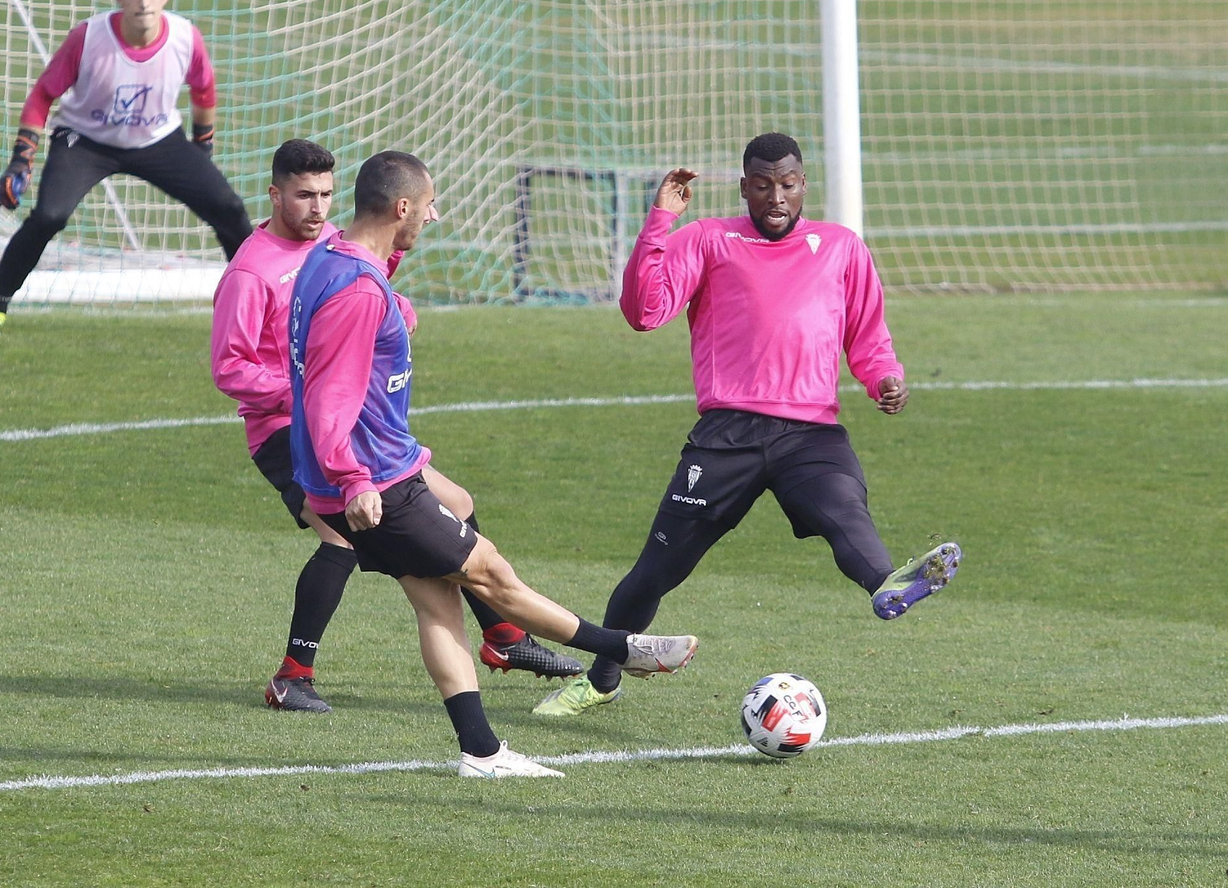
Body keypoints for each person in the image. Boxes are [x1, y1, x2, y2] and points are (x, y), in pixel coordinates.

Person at [289, 150, 699, 778]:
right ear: (402, 207)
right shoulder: (357, 291)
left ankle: (481, 752)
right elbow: (327, 399)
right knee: (491, 574)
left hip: (374, 469)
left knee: (438, 604)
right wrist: (353, 480)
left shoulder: (332, 259)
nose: (433, 217)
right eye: (428, 206)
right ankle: (623, 649)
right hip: (377, 479)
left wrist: (392, 300)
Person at [534, 132, 961, 717]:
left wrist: (884, 377)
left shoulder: (840, 247)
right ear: (744, 187)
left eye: (787, 185)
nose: (775, 198)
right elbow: (643, 311)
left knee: (844, 511)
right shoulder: (710, 239)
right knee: (655, 571)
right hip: (727, 437)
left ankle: (888, 584)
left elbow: (868, 334)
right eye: (762, 186)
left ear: (803, 184)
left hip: (809, 432)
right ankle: (603, 678)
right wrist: (660, 221)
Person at [211, 139, 582, 714]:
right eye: (304, 195)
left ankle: (504, 637)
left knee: (458, 502)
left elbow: (365, 293)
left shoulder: (333, 247)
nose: (317, 208)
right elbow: (230, 368)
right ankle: (292, 676)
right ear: (275, 195)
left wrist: (394, 306)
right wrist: (308, 390)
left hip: (352, 424)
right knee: (341, 537)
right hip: (290, 430)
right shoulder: (251, 271)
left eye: (326, 195)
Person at [0, 0, 253, 339]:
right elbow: (42, 95)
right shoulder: (88, 37)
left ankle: (256, 308)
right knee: (49, 216)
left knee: (229, 208)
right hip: (85, 140)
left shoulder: (186, 37)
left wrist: (201, 150)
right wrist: (22, 158)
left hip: (158, 140)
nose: (143, 2)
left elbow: (204, 89)